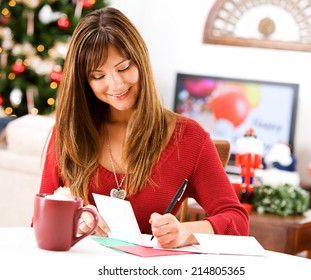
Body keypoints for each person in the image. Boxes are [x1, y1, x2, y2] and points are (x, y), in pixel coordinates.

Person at [39, 7, 249, 248]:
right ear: (84, 82)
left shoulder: (189, 138)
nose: (115, 84)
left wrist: (186, 232)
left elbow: (237, 221)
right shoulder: (68, 133)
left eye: (123, 68)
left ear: (140, 61)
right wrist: (73, 222)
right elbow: (39, 223)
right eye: (98, 76)